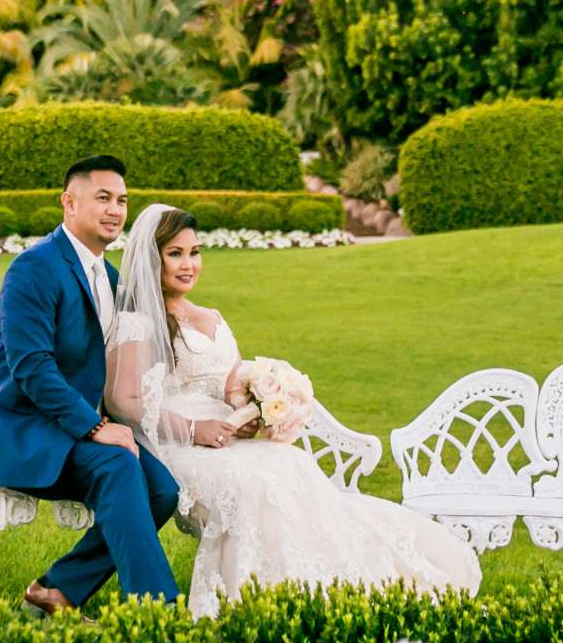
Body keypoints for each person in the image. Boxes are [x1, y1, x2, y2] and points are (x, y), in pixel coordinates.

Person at [106, 202, 482, 618]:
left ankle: (329, 583)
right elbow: (123, 400)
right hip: (179, 441)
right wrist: (195, 429)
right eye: (175, 253)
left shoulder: (210, 316)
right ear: (150, 257)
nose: (188, 264)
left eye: (194, 252)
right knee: (253, 487)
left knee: (293, 467)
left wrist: (255, 409)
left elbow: (230, 383)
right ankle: (253, 603)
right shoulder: (138, 323)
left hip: (226, 434)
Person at [0, 155, 181, 614]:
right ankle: (159, 615)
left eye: (121, 200)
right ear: (68, 202)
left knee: (163, 490)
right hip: (20, 431)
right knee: (118, 466)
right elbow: (31, 367)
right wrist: (95, 427)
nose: (115, 210)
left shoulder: (112, 277)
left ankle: (56, 589)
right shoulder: (34, 268)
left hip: (69, 431)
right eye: (102, 198)